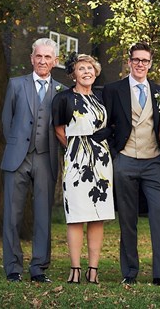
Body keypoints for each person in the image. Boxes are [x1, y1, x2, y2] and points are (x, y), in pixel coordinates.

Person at [102, 42, 160, 286]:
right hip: (125, 160)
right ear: (129, 61)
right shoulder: (113, 90)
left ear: (150, 63)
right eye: (136, 60)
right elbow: (106, 125)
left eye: (145, 60)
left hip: (154, 162)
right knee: (128, 219)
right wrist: (115, 154)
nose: (140, 64)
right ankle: (130, 272)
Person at [0, 38, 63, 283]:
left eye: (48, 57)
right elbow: (7, 121)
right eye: (39, 56)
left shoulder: (61, 91)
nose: (43, 61)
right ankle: (12, 267)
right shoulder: (16, 85)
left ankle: (38, 268)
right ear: (31, 58)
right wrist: (18, 146)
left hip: (46, 158)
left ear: (54, 61)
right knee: (12, 215)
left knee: (43, 215)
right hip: (18, 158)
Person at [52, 54, 115, 284]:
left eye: (90, 68)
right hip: (77, 160)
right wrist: (77, 149)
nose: (86, 71)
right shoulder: (64, 98)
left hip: (101, 161)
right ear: (73, 74)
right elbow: (59, 129)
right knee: (76, 216)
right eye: (81, 68)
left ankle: (94, 270)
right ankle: (75, 268)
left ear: (95, 72)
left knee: (97, 216)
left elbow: (110, 124)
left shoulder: (101, 98)